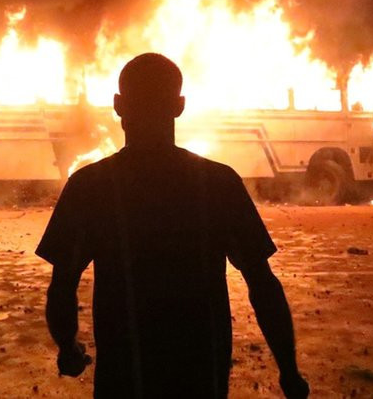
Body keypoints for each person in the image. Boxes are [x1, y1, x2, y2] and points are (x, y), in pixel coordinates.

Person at [36, 53, 309, 398]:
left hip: (125, 377)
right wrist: (288, 371)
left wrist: (68, 348)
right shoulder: (218, 183)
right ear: (179, 106)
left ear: (119, 106)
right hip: (200, 377)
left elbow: (62, 286)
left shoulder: (89, 186)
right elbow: (262, 284)